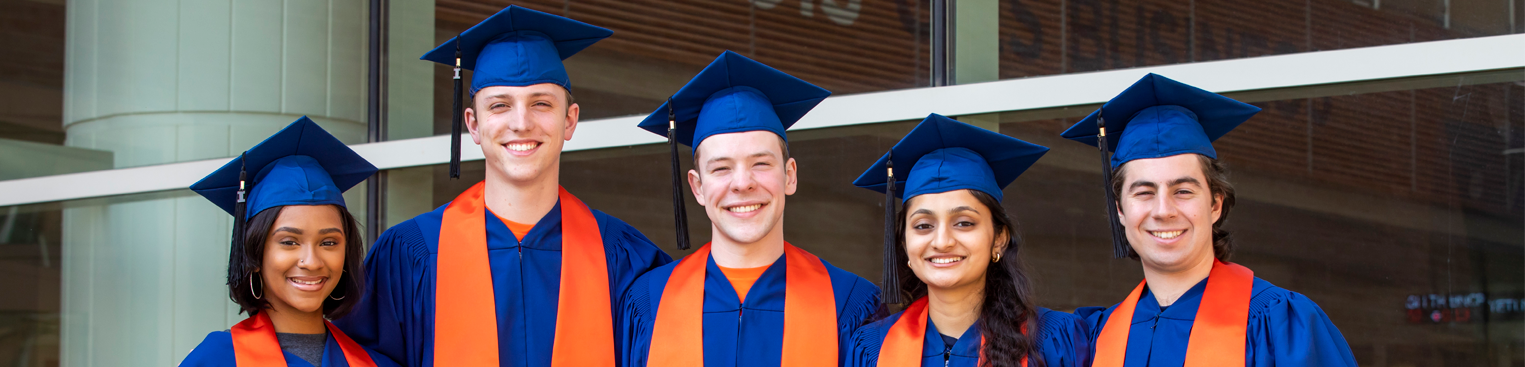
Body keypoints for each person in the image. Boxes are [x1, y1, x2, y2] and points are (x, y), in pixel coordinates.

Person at [331, 6, 672, 367]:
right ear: (473, 125)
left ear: (569, 121)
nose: (521, 123)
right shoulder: (409, 257)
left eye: (541, 103)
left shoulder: (624, 258)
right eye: (500, 105)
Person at [1062, 73, 1357, 367]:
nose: (1163, 210)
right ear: (1121, 212)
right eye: (1144, 192)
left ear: (1215, 204)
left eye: (1183, 191)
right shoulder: (1097, 339)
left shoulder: (1280, 327)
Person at [619, 50, 881, 367]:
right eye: (721, 169)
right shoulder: (648, 303)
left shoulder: (849, 305)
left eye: (760, 163)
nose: (742, 183)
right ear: (697, 186)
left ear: (790, 175)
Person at [844, 113, 1090, 367]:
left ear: (999, 239)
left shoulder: (1053, 341)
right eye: (923, 225)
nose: (942, 241)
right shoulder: (872, 349)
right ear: (905, 245)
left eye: (964, 223)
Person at [183, 117, 399, 367]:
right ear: (254, 255)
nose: (312, 261)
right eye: (289, 242)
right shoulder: (216, 360)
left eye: (328, 243)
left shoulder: (374, 364)